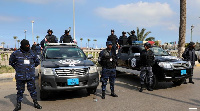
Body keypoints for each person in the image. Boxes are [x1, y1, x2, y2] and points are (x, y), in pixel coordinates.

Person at [9, 39, 42, 111]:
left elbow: (37, 62)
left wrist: (31, 67)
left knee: (33, 90)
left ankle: (35, 103)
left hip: (30, 76)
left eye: (28, 45)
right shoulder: (16, 53)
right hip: (20, 76)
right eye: (26, 45)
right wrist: (18, 68)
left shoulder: (32, 53)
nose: (28, 46)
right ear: (22, 45)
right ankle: (18, 105)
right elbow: (11, 62)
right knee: (20, 91)